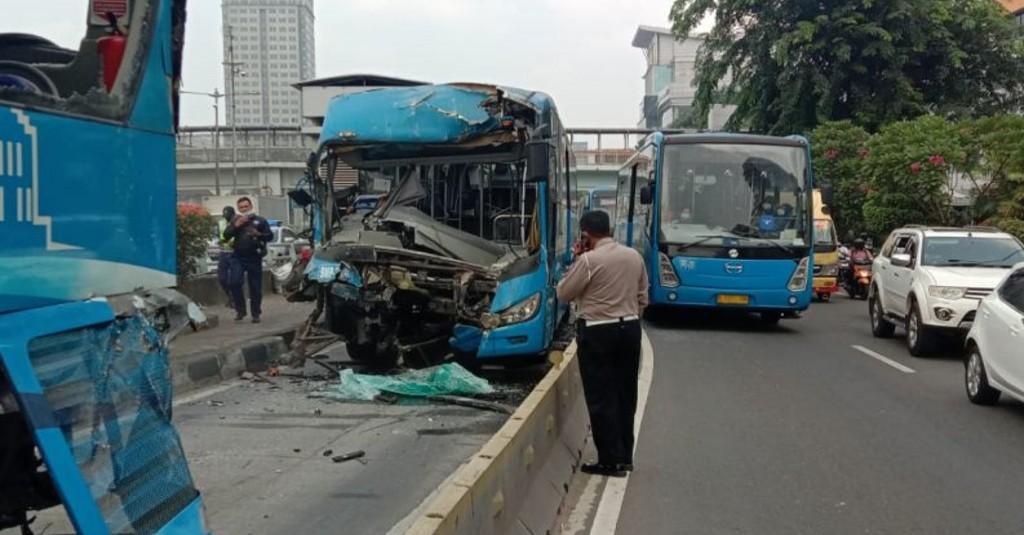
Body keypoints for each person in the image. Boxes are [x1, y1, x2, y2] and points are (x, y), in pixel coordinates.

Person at [556, 211, 649, 478]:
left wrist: (576, 259)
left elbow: (564, 293)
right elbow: (644, 296)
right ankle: (624, 457)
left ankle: (609, 461)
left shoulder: (587, 260)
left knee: (601, 396)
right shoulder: (633, 256)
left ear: (586, 234)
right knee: (625, 393)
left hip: (598, 331)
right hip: (630, 328)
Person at [223, 197, 272, 323]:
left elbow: (270, 236)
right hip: (238, 257)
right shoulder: (235, 221)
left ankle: (255, 313)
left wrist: (258, 234)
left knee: (255, 287)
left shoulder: (260, 221)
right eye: (241, 207)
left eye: (246, 206)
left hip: (254, 257)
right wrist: (236, 225)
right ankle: (240, 310)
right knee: (234, 282)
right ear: (238, 208)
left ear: (250, 206)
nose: (244, 209)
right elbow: (226, 235)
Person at [216, 206, 236, 307]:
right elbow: (218, 236)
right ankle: (230, 297)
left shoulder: (238, 221)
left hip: (235, 253)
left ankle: (235, 300)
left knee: (234, 279)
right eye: (225, 215)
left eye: (228, 215)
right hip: (223, 252)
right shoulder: (220, 223)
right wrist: (219, 241)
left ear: (233, 214)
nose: (226, 217)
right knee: (222, 278)